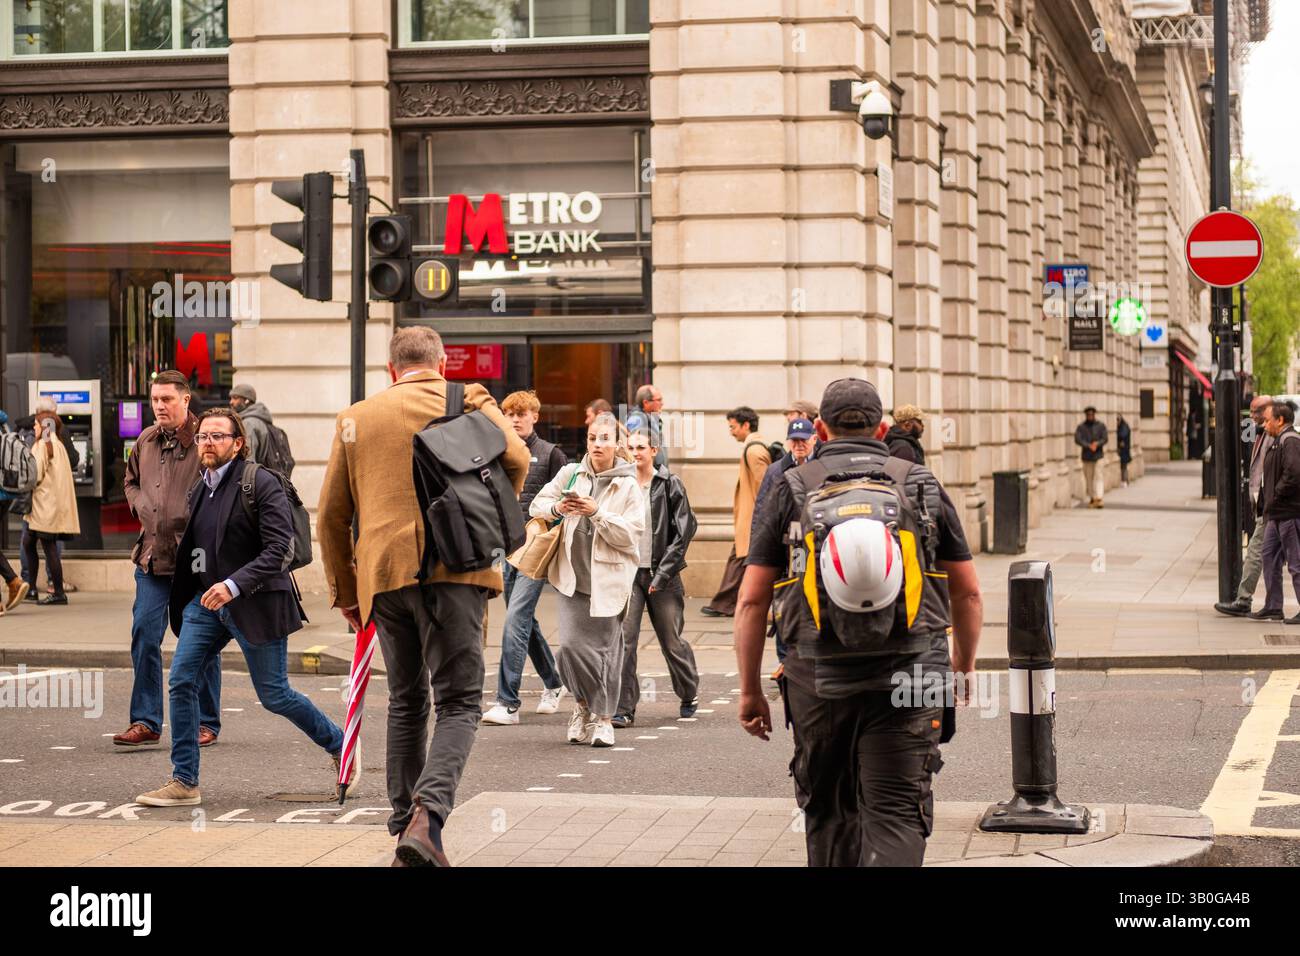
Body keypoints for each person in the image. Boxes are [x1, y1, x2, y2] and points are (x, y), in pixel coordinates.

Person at [736, 377, 983, 867]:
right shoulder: (919, 482)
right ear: (883, 427)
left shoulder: (791, 485)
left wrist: (750, 691)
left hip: (816, 678)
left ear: (821, 429)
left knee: (829, 813)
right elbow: (968, 591)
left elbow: (751, 601)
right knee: (896, 813)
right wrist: (963, 663)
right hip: (912, 672)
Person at [317, 327, 528, 867]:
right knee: (458, 700)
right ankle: (426, 817)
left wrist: (346, 592)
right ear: (441, 362)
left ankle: (403, 826)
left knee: (407, 699)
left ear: (391, 370)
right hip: (458, 569)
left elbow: (332, 517)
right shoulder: (470, 399)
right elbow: (518, 458)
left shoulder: (355, 418)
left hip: (384, 574)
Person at [135, 408, 348, 807]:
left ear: (237, 443)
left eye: (218, 437)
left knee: (275, 695)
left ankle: (340, 744)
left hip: (255, 602)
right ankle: (184, 781)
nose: (208, 443)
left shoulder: (259, 483)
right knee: (181, 680)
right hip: (207, 604)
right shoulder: (201, 488)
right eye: (202, 437)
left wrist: (233, 584)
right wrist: (195, 586)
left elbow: (279, 549)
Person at [114, 371, 222, 749]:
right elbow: (128, 480)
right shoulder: (144, 440)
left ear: (186, 400)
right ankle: (146, 720)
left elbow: (228, 484)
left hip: (195, 561)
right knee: (144, 635)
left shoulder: (205, 441)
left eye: (167, 399)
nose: (159, 406)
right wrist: (139, 503)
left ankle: (207, 721)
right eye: (155, 399)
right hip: (152, 558)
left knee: (200, 641)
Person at [530, 412, 643, 748]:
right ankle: (581, 705)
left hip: (608, 581)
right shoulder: (571, 473)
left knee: (605, 653)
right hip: (571, 579)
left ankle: (604, 719)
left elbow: (631, 535)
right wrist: (559, 509)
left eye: (604, 439)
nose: (597, 444)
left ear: (616, 444)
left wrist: (597, 512)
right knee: (568, 650)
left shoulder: (628, 485)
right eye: (593, 438)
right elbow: (539, 503)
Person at [482, 389, 568, 726]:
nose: (515, 419)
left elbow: (563, 503)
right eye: (510, 414)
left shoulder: (551, 455)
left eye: (522, 414)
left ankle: (508, 702)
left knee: (516, 619)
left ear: (535, 416)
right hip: (505, 548)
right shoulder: (497, 453)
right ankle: (554, 683)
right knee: (525, 622)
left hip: (537, 549)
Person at [613, 427, 699, 727]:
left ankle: (689, 693)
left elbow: (685, 530)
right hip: (629, 575)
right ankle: (624, 708)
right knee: (625, 641)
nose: (635, 452)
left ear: (654, 450)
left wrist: (662, 574)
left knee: (671, 642)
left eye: (641, 447)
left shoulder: (670, 484)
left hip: (664, 576)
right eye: (631, 447)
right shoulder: (621, 484)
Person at [752, 417, 818, 667]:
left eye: (804, 440)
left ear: (814, 438)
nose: (799, 445)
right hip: (789, 546)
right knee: (788, 596)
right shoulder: (776, 470)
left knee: (810, 596)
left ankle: (807, 652)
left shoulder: (821, 467)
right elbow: (762, 510)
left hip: (816, 544)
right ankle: (786, 659)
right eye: (795, 440)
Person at [702, 406, 773, 618]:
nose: (731, 432)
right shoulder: (753, 448)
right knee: (739, 557)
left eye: (733, 427)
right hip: (750, 517)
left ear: (746, 425)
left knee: (742, 558)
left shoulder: (754, 450)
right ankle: (723, 603)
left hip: (753, 517)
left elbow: (766, 487)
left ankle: (726, 603)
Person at [1216, 395, 1274, 617]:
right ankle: (1273, 604)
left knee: (1256, 552)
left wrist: (1268, 498)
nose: (1251, 416)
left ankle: (1243, 599)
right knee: (1273, 555)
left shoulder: (1276, 435)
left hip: (1271, 506)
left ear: (1268, 409)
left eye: (1256, 411)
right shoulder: (1261, 432)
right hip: (1266, 504)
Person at [14, 396, 78, 594]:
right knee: (31, 543)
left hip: (43, 506)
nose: (34, 428)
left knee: (47, 548)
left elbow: (35, 474)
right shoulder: (57, 444)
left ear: (43, 425)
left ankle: (56, 592)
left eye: (35, 424)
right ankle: (32, 588)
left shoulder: (43, 445)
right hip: (49, 505)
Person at [1251, 401, 1300, 623]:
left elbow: (1294, 473)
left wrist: (1278, 494)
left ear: (1280, 420)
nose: (1265, 423)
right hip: (1276, 514)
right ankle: (1273, 606)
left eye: (1269, 420)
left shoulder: (1289, 440)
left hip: (1289, 513)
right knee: (1269, 556)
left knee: (1296, 563)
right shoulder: (1278, 440)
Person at [626, 384, 668, 470]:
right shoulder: (637, 419)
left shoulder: (651, 418)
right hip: (649, 476)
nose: (662, 403)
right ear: (646, 403)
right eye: (659, 400)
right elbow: (635, 453)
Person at [228, 383, 272, 463]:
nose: (231, 402)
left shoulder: (248, 423)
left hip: (254, 473)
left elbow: (248, 458)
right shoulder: (262, 418)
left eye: (235, 398)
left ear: (246, 400)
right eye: (231, 398)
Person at [1075, 406, 1108, 508]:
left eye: (1092, 414)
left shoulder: (1100, 426)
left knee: (1099, 476)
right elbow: (1078, 439)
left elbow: (1105, 438)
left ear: (1094, 415)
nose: (1090, 416)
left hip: (1098, 455)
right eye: (1088, 414)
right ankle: (1092, 498)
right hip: (1087, 456)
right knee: (1088, 478)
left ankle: (1099, 497)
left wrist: (1097, 444)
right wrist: (1088, 445)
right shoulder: (1081, 427)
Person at [1116, 415, 1132, 486]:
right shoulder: (1123, 426)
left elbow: (1122, 435)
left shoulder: (1124, 427)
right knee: (1123, 466)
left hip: (1124, 450)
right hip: (1124, 450)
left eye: (1118, 420)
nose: (1117, 422)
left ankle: (1125, 480)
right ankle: (1125, 480)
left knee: (1124, 465)